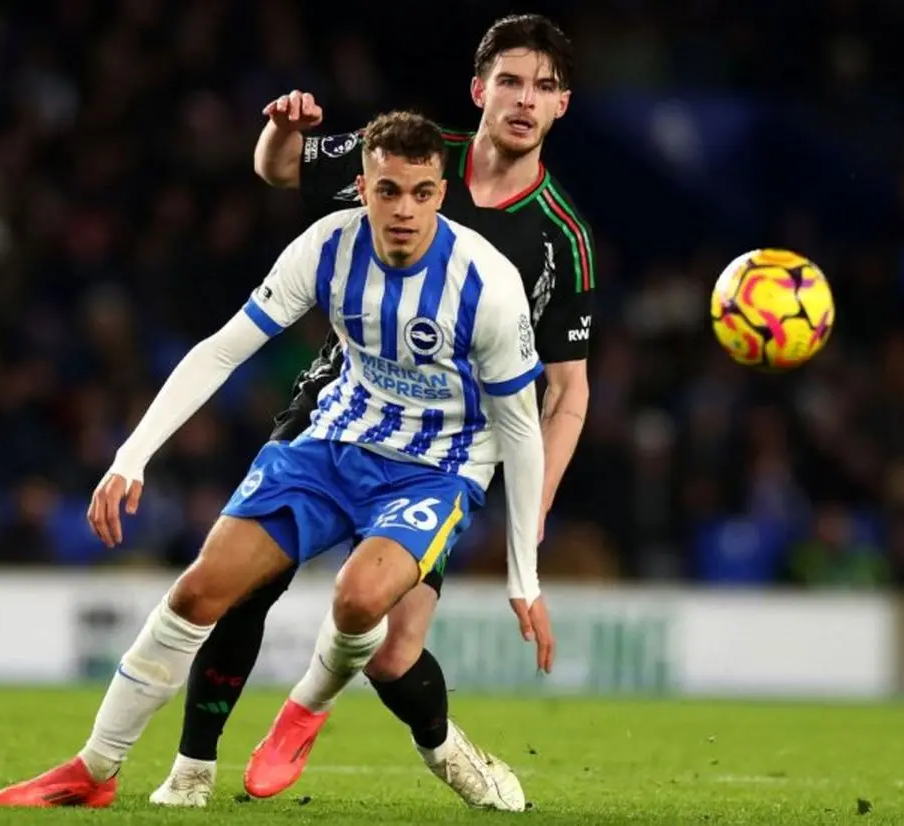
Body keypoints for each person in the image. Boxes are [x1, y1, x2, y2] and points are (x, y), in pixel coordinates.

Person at [0, 111, 550, 810]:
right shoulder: (326, 247)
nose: (404, 209)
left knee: (359, 598)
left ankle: (306, 706)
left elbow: (521, 429)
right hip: (333, 444)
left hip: (437, 467)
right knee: (200, 591)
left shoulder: (487, 283)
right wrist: (132, 455)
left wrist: (524, 576)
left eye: (421, 192)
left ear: (440, 192)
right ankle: (94, 769)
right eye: (387, 190)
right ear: (363, 188)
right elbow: (224, 348)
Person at [152, 13, 596, 810]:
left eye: (546, 87)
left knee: (393, 655)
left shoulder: (562, 238)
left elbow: (567, 391)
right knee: (245, 584)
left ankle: (442, 747)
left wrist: (534, 509)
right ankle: (191, 771)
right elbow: (278, 169)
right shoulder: (413, 156)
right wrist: (283, 131)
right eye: (511, 81)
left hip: (448, 451)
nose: (526, 100)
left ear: (563, 104)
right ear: (480, 90)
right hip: (340, 406)